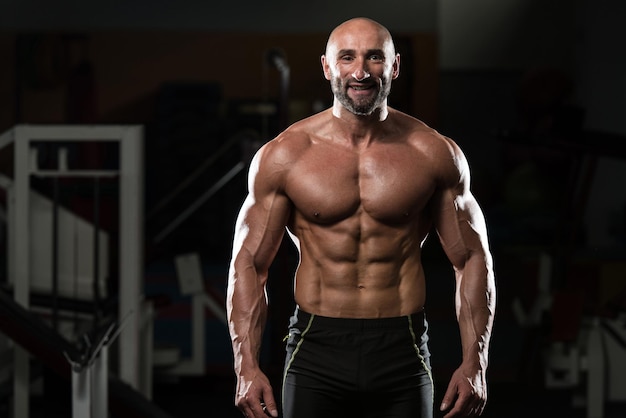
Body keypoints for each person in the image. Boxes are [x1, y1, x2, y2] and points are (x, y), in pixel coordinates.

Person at [226, 17, 496, 418]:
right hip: (317, 346)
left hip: (401, 345)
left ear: (395, 66)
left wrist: (476, 363)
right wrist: (246, 368)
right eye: (347, 57)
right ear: (327, 67)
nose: (360, 71)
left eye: (374, 57)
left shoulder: (434, 153)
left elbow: (472, 258)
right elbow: (249, 263)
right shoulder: (285, 155)